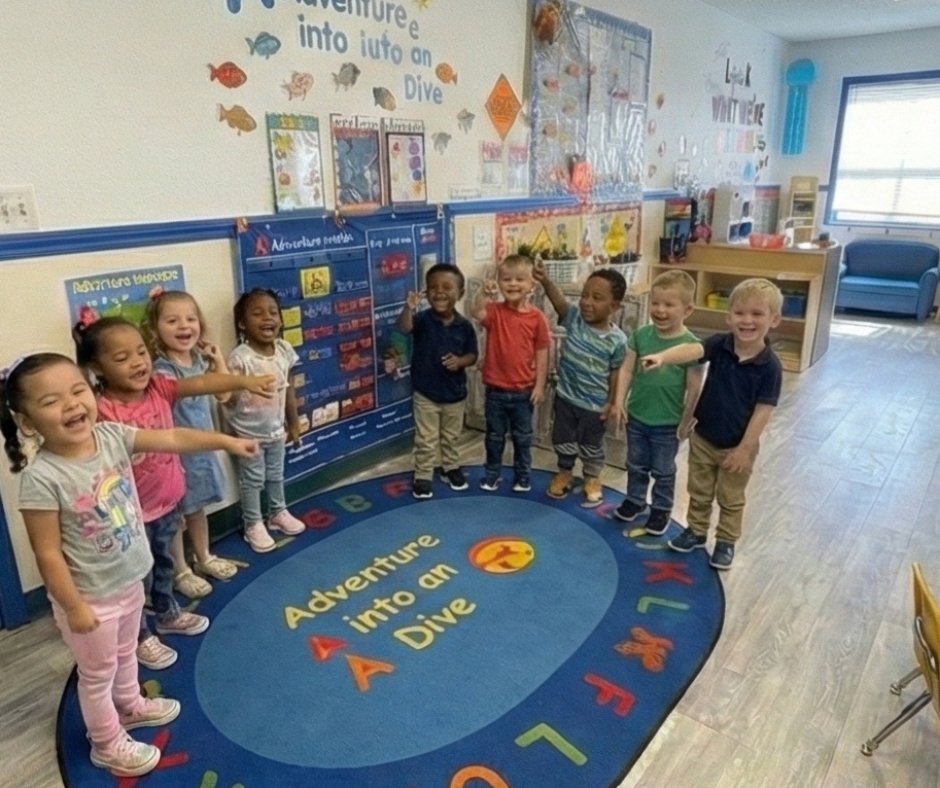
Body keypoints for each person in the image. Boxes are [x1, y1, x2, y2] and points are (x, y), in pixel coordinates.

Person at [0, 353, 259, 777]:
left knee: (125, 655)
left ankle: (131, 705)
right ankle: (105, 743)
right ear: (26, 421)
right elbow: (46, 552)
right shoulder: (42, 478)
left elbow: (172, 438)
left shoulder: (111, 437)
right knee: (97, 672)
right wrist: (74, 606)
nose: (71, 404)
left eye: (78, 390)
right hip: (90, 599)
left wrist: (227, 442)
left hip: (127, 580)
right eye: (51, 401)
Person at [73, 316, 275, 671]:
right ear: (96, 368)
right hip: (127, 517)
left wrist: (246, 380)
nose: (137, 362)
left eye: (141, 352)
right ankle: (138, 636)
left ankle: (166, 612)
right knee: (135, 581)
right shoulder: (99, 409)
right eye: (121, 358)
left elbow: (202, 383)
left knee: (164, 565)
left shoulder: (159, 389)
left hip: (166, 503)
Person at [640, 277, 783, 569]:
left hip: (737, 445)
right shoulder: (720, 344)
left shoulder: (770, 366)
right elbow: (692, 351)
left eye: (757, 314)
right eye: (740, 313)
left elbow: (763, 410)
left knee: (730, 498)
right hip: (704, 437)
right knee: (699, 490)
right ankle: (696, 531)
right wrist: (663, 357)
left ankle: (726, 542)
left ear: (774, 319)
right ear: (729, 317)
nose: (747, 321)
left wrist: (744, 449)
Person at [143, 289, 239, 599]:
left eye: (190, 319)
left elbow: (225, 395)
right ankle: (180, 570)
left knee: (197, 510)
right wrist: (211, 376)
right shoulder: (163, 370)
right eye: (172, 320)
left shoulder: (199, 359)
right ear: (155, 328)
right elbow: (188, 391)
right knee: (174, 517)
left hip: (202, 453)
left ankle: (204, 556)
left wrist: (218, 360)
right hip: (175, 457)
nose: (184, 326)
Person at [613, 270, 704, 534]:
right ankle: (635, 500)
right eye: (655, 303)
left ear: (687, 310)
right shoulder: (641, 335)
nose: (660, 310)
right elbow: (627, 369)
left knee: (663, 471)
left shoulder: (691, 346)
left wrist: (687, 420)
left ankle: (662, 509)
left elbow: (695, 387)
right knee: (635, 464)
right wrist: (620, 401)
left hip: (668, 422)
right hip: (638, 417)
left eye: (669, 305)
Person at [534, 262, 628, 507]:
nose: (587, 302)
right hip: (566, 398)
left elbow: (617, 371)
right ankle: (564, 471)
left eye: (597, 298)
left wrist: (612, 402)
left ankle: (592, 477)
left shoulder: (617, 340)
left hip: (595, 406)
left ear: (614, 306)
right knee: (563, 438)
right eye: (585, 295)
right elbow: (560, 303)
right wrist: (545, 280)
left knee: (591, 444)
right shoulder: (574, 318)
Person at [225, 288, 305, 553]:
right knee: (252, 479)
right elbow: (230, 398)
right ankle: (252, 523)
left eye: (273, 312)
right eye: (257, 313)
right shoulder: (241, 357)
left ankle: (277, 512)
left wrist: (293, 424)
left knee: (275, 474)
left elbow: (289, 389)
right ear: (242, 323)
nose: (267, 318)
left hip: (276, 430)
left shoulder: (283, 350)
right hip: (249, 434)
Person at [397, 263, 478, 499]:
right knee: (426, 438)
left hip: (455, 394)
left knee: (451, 436)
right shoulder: (421, 319)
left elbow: (473, 355)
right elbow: (404, 327)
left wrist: (460, 361)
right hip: (425, 394)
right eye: (433, 288)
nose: (439, 292)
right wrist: (408, 308)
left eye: (447, 287)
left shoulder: (464, 326)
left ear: (460, 293)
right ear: (426, 293)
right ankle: (423, 475)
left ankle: (450, 467)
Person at [470, 254, 550, 492]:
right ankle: (492, 475)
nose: (513, 284)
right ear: (498, 282)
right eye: (506, 279)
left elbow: (542, 353)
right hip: (495, 391)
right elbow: (476, 312)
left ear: (531, 286)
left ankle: (522, 476)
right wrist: (483, 294)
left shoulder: (537, 319)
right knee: (494, 437)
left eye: (519, 280)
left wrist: (539, 386)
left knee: (523, 438)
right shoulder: (494, 311)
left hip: (524, 392)